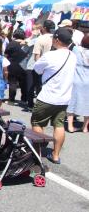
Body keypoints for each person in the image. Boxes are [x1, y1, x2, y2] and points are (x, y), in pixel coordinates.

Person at [31, 28, 77, 164]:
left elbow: (37, 69)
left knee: (37, 122)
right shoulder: (72, 56)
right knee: (59, 125)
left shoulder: (50, 55)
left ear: (57, 40)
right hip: (64, 98)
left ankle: (37, 154)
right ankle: (56, 155)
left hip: (47, 96)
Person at [66, 34, 89, 132]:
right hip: (88, 80)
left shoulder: (76, 49)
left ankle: (70, 126)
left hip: (76, 78)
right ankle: (85, 127)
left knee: (72, 102)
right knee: (87, 103)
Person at [5, 29, 29, 104]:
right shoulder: (26, 43)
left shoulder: (11, 44)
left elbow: (6, 55)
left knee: (12, 83)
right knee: (23, 83)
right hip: (24, 66)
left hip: (12, 66)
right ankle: (24, 100)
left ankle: (11, 100)